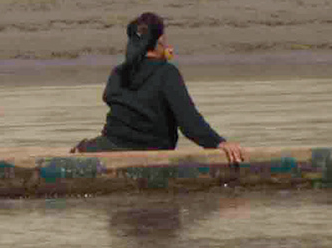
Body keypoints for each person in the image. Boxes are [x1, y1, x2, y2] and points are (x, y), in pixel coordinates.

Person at [73, 12, 242, 160]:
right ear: (160, 40)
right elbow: (189, 123)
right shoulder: (167, 73)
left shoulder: (119, 72)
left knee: (81, 148)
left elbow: (110, 97)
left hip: (109, 145)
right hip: (150, 152)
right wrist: (219, 143)